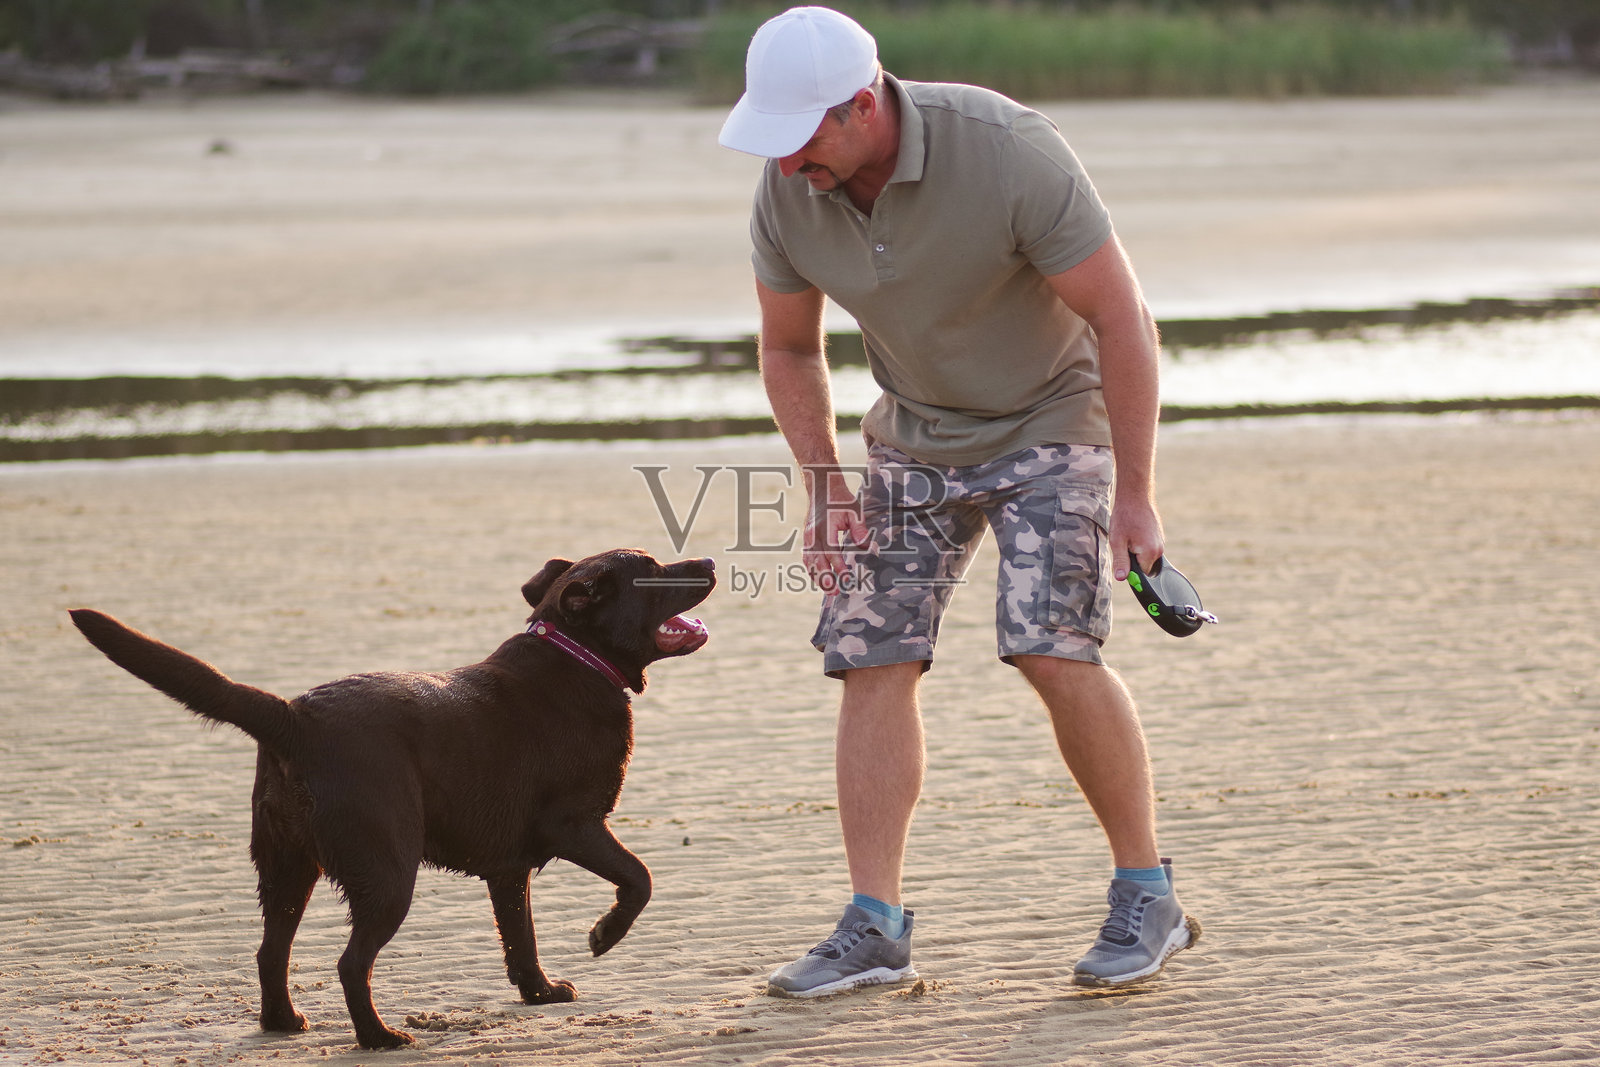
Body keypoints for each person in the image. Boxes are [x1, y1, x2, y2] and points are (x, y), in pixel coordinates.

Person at [717, 6, 1200, 998]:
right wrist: (824, 484)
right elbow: (788, 346)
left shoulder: (1007, 149)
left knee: (1048, 642)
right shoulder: (788, 188)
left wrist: (1137, 494)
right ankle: (874, 925)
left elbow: (1122, 317)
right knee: (868, 652)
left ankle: (1147, 892)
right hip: (914, 435)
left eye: (800, 136)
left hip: (1052, 418)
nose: (786, 161)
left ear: (862, 106)